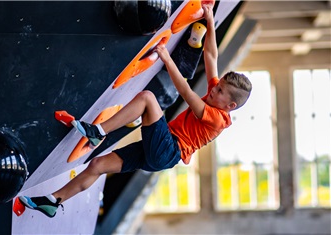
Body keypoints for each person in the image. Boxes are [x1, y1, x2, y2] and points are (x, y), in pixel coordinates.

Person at [19, 2, 252, 218]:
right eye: (218, 85)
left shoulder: (217, 119)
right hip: (161, 153)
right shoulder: (216, 95)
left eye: (220, 92)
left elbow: (187, 94)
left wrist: (167, 59)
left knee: (148, 98)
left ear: (230, 106)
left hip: (168, 149)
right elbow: (211, 55)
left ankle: (98, 131)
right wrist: (210, 22)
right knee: (97, 165)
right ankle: (53, 201)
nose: (214, 89)